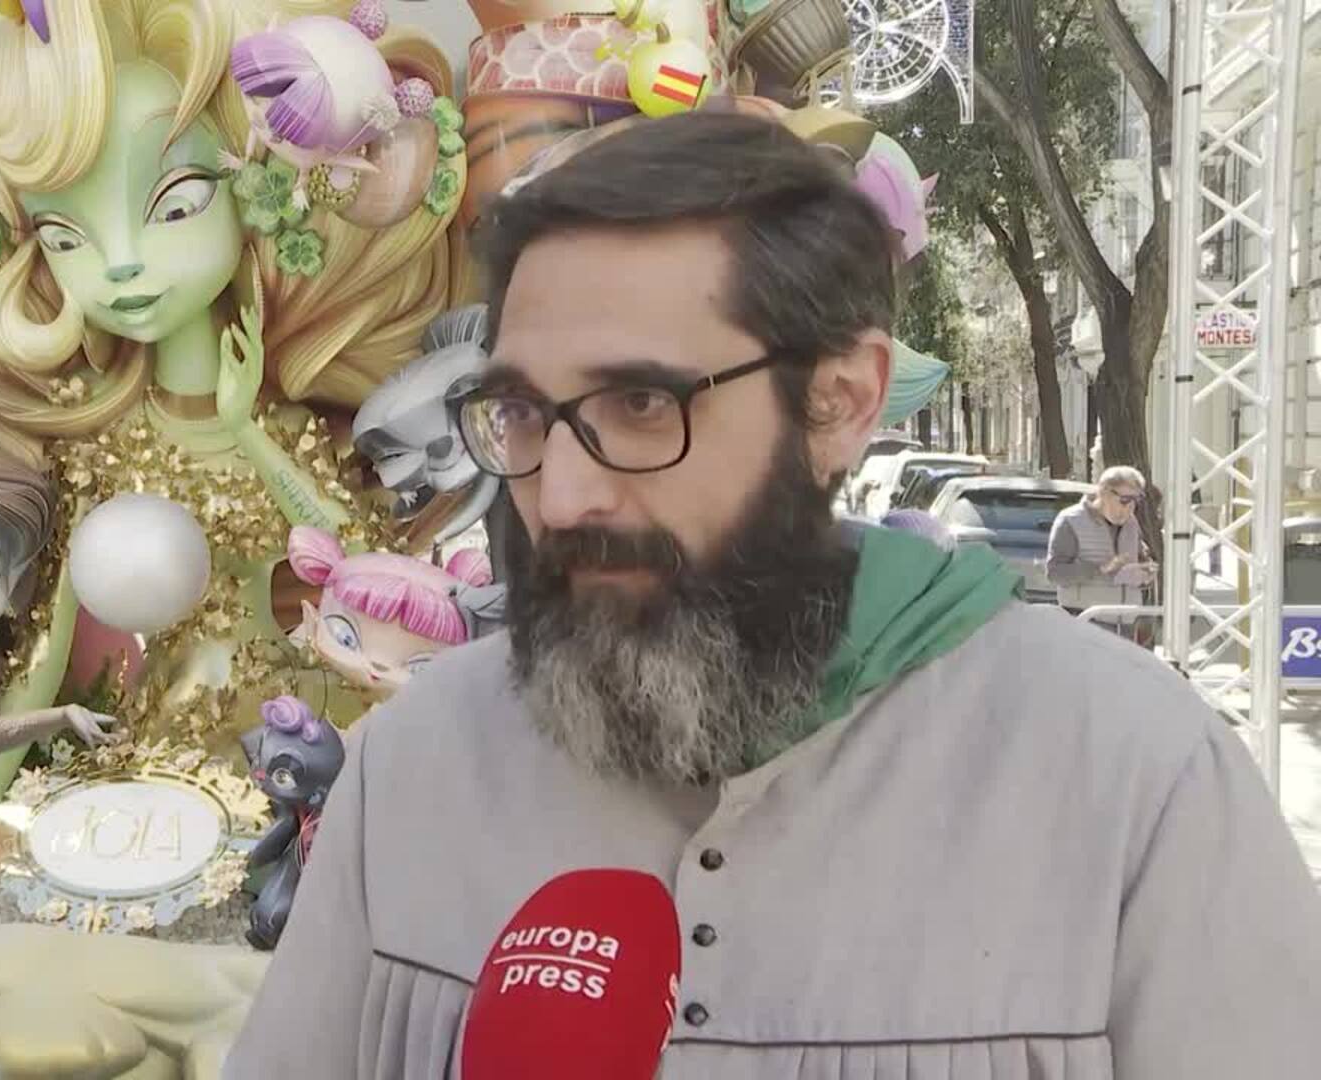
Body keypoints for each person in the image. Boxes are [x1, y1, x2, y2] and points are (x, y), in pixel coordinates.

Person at [228, 114, 1321, 1076]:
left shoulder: (1133, 782)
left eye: (641, 404)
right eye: (520, 414)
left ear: (839, 402)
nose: (558, 496)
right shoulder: (414, 765)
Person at [1047, 465, 1154, 633]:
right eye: (1125, 500)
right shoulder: (1071, 520)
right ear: (1104, 493)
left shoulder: (1132, 523)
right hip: (1085, 621)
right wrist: (1100, 569)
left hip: (1126, 623)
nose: (1130, 508)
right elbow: (1055, 573)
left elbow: (1140, 557)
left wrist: (1146, 571)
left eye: (1136, 500)